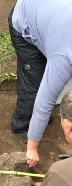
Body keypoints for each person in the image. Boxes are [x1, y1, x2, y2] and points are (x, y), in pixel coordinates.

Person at [8, 0, 72, 167]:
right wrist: (32, 148)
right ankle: (22, 124)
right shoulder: (63, 57)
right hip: (24, 18)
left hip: (49, 16)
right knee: (34, 85)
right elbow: (44, 103)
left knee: (48, 73)